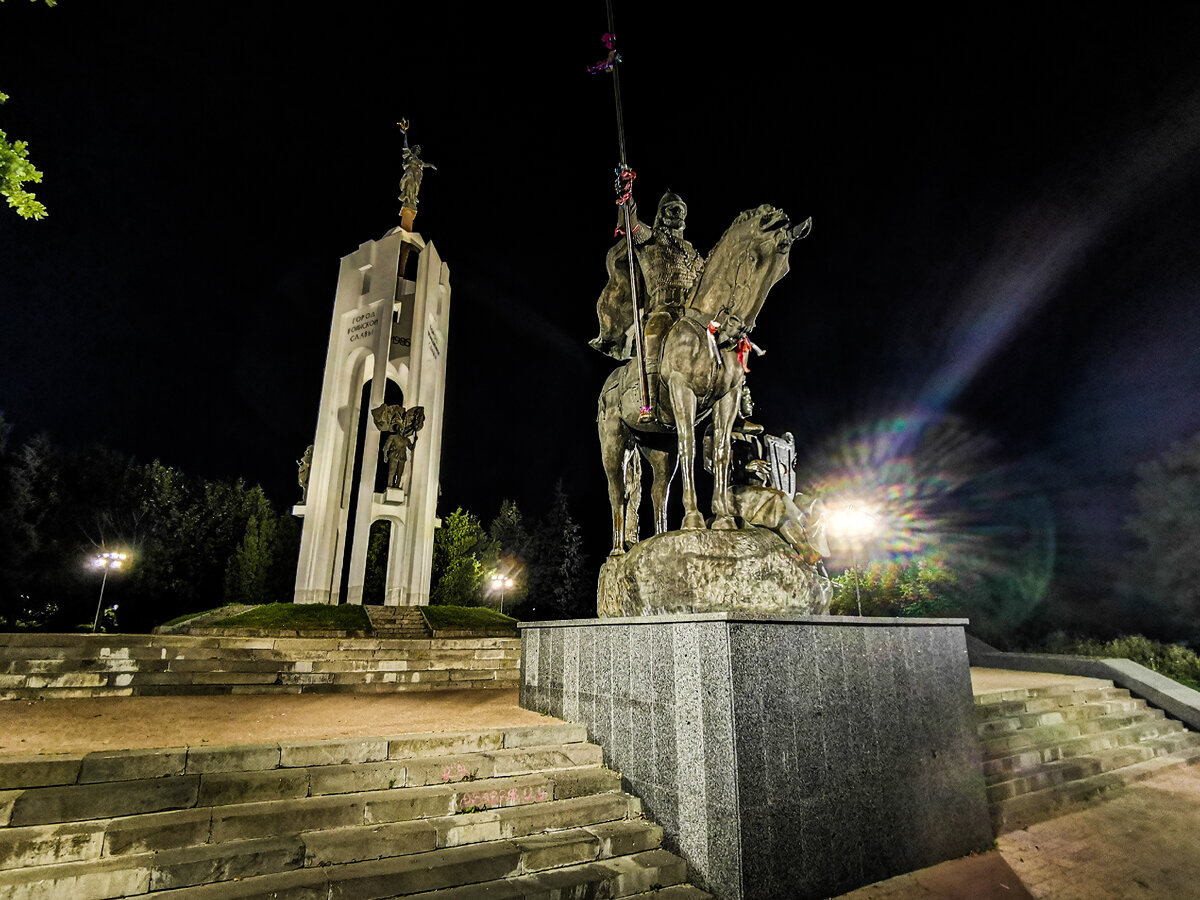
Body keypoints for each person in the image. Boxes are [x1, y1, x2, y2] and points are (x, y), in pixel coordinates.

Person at [590, 190, 706, 361]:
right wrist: (626, 198)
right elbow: (630, 225)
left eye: (681, 210)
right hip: (662, 310)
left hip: (694, 311)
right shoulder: (651, 238)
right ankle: (652, 382)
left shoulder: (694, 252)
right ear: (661, 213)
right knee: (655, 336)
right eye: (672, 209)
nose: (678, 213)